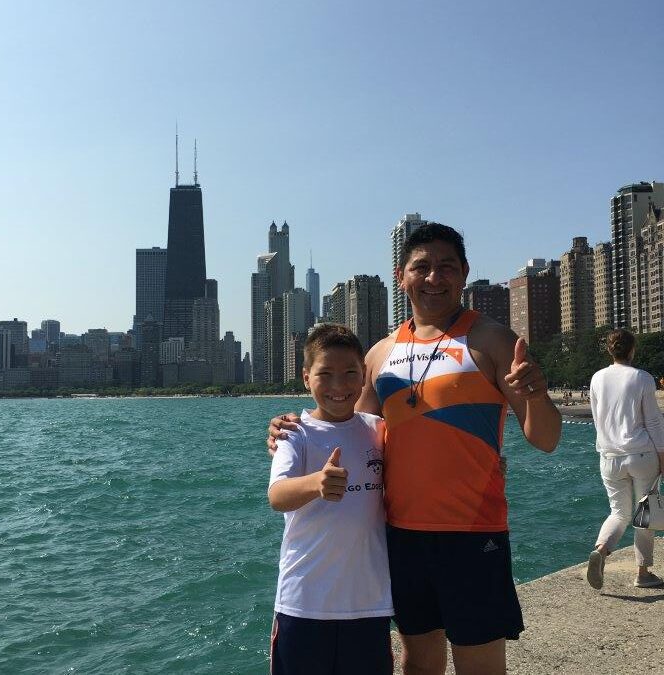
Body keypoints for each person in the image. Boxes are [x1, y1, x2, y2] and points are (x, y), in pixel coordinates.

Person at [268, 223, 562, 675]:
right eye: (421, 267)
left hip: (473, 532)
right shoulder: (380, 354)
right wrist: (290, 428)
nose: (433, 278)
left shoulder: (492, 340)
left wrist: (537, 395)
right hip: (402, 535)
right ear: (400, 275)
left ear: (464, 273)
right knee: (419, 664)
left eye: (446, 267)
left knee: (480, 667)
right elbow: (350, 431)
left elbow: (546, 439)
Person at [268, 323, 393, 675]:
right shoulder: (295, 434)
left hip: (368, 603)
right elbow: (277, 495)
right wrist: (316, 483)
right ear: (306, 377)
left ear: (364, 376)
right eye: (325, 374)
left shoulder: (378, 429)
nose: (338, 385)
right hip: (303, 602)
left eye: (350, 373)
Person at [586, 329, 664, 590]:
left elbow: (597, 418)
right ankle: (643, 573)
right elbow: (653, 422)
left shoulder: (597, 378)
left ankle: (601, 549)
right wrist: (662, 456)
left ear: (610, 350)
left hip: (609, 456)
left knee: (618, 513)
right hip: (641, 454)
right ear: (632, 350)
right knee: (645, 514)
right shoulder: (642, 378)